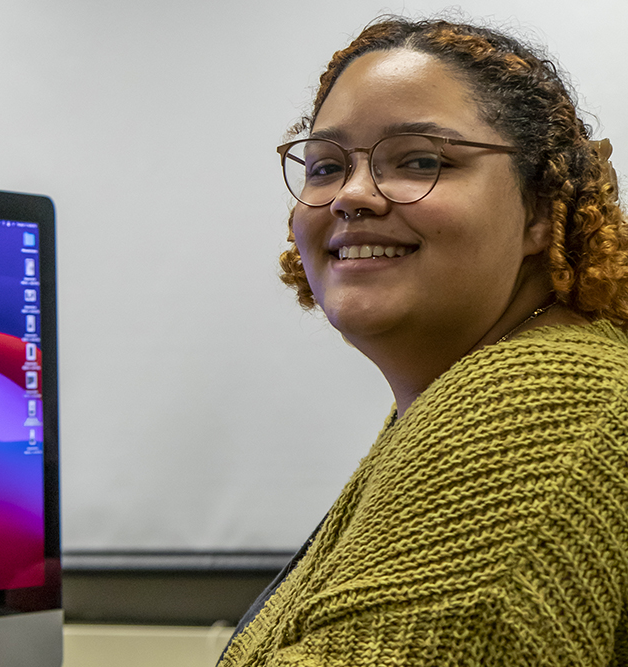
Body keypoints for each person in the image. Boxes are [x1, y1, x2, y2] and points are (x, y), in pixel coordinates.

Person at [218, 17, 628, 667]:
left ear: (542, 209)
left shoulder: (532, 402)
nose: (352, 195)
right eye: (326, 165)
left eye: (420, 160)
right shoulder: (473, 380)